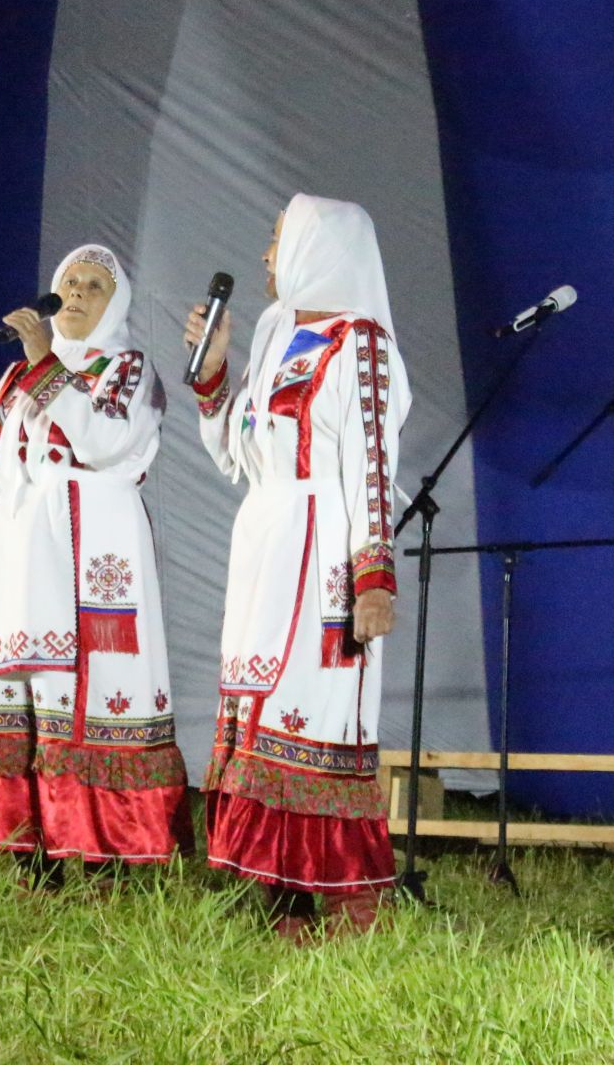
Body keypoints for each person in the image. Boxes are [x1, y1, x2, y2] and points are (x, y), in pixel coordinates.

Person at [0, 245, 188, 877]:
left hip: (92, 555)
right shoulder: (12, 381)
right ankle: (30, 855)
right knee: (22, 695)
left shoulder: (129, 369)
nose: (77, 294)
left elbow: (104, 439)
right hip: (20, 560)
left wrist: (45, 366)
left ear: (118, 304)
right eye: (69, 282)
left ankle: (107, 854)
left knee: (88, 695)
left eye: (95, 286)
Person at [183, 193, 410, 938]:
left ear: (320, 249)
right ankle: (284, 905)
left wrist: (374, 575)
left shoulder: (360, 343)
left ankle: (351, 903)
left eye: (278, 241)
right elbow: (235, 455)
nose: (266, 256)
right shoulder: (280, 333)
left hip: (324, 552)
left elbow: (374, 464)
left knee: (314, 725)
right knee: (260, 725)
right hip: (267, 547)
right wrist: (215, 376)